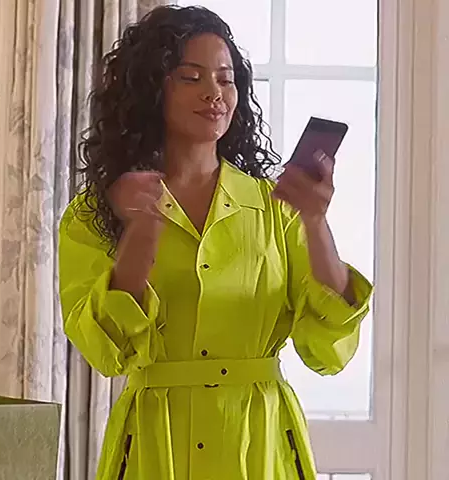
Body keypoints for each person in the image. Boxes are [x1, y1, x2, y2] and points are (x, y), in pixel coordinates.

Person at [58, 5, 373, 480]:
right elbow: (105, 348)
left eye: (226, 79)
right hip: (155, 445)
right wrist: (141, 230)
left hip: (258, 445)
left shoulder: (275, 207)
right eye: (191, 77)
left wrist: (315, 221)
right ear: (152, 89)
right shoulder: (97, 212)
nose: (214, 93)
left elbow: (329, 348)